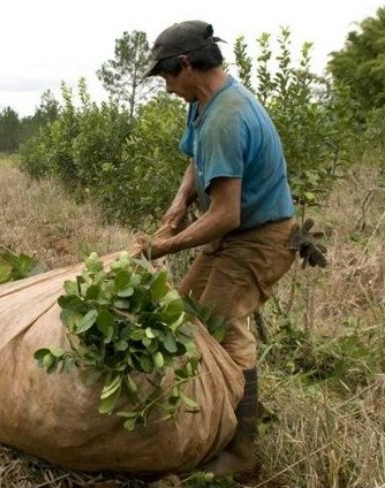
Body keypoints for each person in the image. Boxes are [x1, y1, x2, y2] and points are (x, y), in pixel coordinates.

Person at [133, 19, 324, 479]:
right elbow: (196, 163)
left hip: (258, 238)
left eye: (165, 76)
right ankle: (201, 425)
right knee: (184, 312)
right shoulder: (203, 104)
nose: (164, 87)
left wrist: (161, 248)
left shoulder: (227, 116)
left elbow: (225, 215)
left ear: (185, 65)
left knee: (219, 327)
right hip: (233, 236)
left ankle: (242, 454)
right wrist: (177, 208)